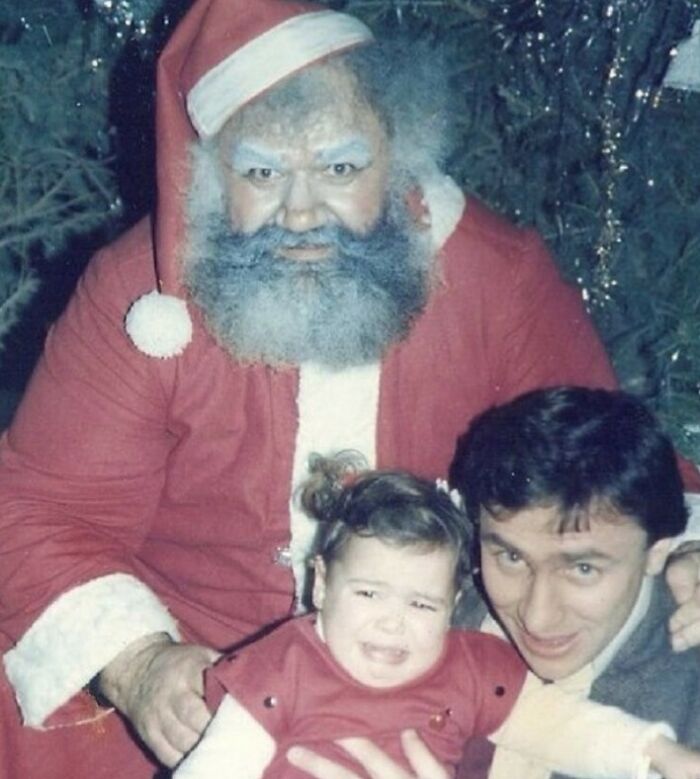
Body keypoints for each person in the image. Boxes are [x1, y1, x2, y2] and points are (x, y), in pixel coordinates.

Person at [1, 0, 699, 775]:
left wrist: (692, 546)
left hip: (434, 665)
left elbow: (604, 457)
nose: (302, 212)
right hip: (196, 669)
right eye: (261, 171)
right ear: (206, 173)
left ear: (396, 155)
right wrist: (138, 663)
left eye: (340, 167)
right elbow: (38, 508)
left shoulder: (497, 279)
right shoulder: (139, 295)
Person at [175, 453, 699, 779]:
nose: (393, 622)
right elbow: (217, 764)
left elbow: (557, 725)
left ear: (451, 607)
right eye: (368, 594)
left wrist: (654, 751)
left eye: (421, 603)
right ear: (322, 584)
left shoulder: (471, 666)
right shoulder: (281, 666)